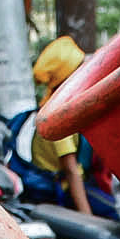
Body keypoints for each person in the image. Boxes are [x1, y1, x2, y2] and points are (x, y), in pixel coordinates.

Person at [24, 33, 99, 216]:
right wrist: (89, 221)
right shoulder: (58, 116)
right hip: (63, 191)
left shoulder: (62, 106)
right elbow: (71, 171)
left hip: (78, 181)